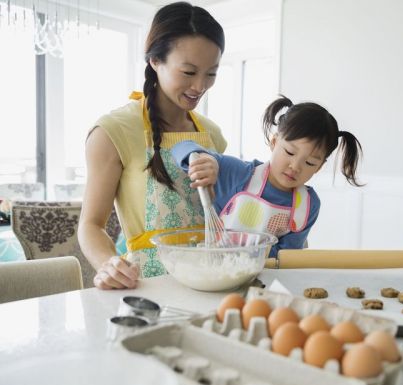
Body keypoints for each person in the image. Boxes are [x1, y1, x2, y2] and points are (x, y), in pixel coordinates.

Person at [78, 2, 227, 290]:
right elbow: (91, 225)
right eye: (188, 72)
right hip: (148, 287)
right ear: (155, 61)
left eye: (211, 74)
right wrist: (109, 264)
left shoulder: (212, 135)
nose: (199, 86)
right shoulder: (113, 131)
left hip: (212, 281)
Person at [171, 95, 363, 257]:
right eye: (289, 152)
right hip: (214, 271)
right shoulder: (236, 174)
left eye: (310, 163)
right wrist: (204, 159)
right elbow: (180, 146)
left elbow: (286, 258)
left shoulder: (307, 206)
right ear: (274, 141)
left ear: (319, 167)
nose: (295, 166)